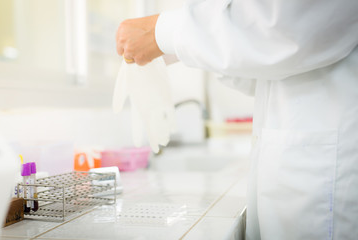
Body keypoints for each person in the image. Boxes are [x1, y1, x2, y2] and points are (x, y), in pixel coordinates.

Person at [116, 0, 358, 239]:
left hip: (329, 183)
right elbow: (261, 70)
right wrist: (180, 44)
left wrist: (163, 31)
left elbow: (286, 26)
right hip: (309, 172)